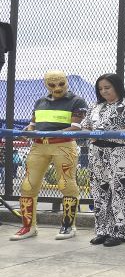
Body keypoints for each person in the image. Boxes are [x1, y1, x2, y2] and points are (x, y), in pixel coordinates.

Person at [10, 70, 87, 241]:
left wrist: (44, 133)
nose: (57, 88)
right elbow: (32, 124)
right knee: (28, 186)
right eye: (52, 84)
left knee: (66, 184)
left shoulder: (77, 101)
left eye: (61, 83)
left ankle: (68, 225)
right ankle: (28, 227)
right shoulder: (40, 102)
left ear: (66, 81)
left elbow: (76, 127)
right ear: (46, 84)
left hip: (64, 146)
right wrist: (27, 132)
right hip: (39, 146)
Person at [82, 73, 125, 247]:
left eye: (107, 87)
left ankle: (120, 232)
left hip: (120, 151)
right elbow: (85, 127)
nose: (104, 91)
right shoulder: (94, 106)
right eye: (100, 89)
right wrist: (92, 135)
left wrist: (109, 134)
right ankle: (102, 231)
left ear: (117, 86)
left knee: (120, 191)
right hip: (96, 151)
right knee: (99, 191)